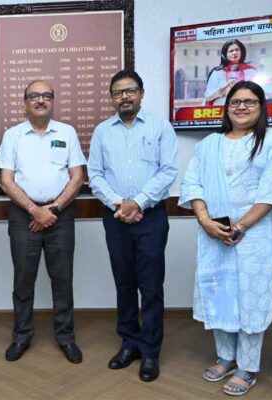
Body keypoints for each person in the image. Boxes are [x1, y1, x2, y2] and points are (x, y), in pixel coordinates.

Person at [179, 80, 272, 396]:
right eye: (235, 101)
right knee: (220, 294)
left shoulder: (271, 139)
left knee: (251, 299)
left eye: (249, 101)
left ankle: (247, 367)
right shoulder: (209, 145)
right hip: (214, 235)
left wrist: (240, 226)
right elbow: (193, 185)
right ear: (226, 108)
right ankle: (226, 357)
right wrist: (205, 221)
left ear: (261, 107)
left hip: (253, 238)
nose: (241, 107)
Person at [87, 70, 178, 382]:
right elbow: (95, 174)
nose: (124, 97)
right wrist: (120, 205)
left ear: (141, 93)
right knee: (124, 284)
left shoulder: (160, 127)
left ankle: (150, 350)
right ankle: (129, 343)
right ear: (111, 98)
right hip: (116, 218)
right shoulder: (102, 131)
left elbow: (168, 171)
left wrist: (137, 203)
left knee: (150, 286)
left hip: (151, 218)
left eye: (130, 91)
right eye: (118, 92)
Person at [0, 80, 86, 364]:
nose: (40, 100)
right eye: (34, 95)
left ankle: (66, 337)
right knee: (23, 280)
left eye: (46, 95)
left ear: (53, 101)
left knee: (63, 280)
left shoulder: (67, 132)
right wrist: (35, 210)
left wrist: (52, 210)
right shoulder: (12, 136)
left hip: (61, 215)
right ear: (25, 103)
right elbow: (6, 181)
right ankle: (21, 336)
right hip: (24, 217)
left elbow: (78, 177)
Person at [204, 39, 257, 106]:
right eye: (231, 51)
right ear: (225, 54)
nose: (234, 53)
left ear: (241, 52)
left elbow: (260, 92)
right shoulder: (218, 73)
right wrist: (222, 90)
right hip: (222, 108)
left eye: (237, 50)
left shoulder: (251, 71)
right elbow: (208, 97)